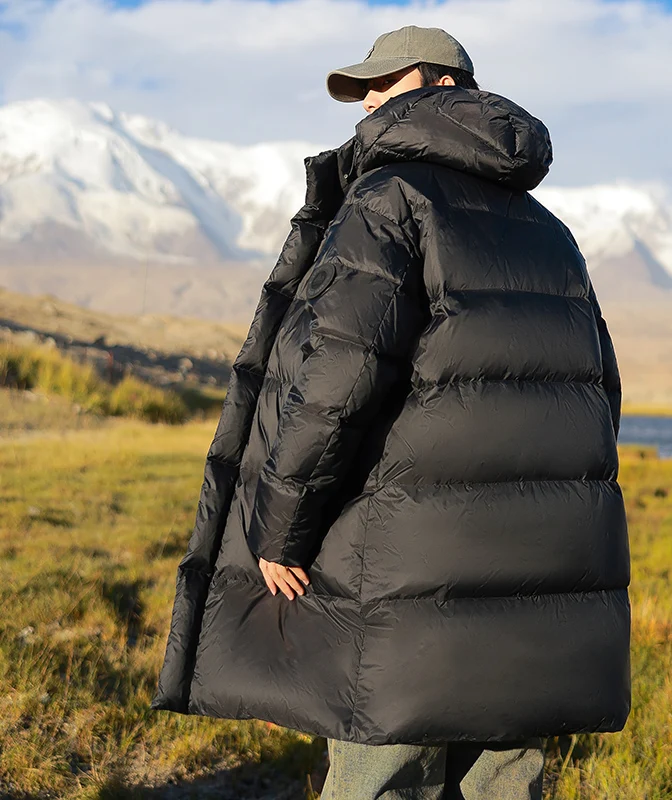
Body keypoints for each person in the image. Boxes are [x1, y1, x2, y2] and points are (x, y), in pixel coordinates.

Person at [151, 24, 631, 800]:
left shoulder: (388, 198)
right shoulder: (550, 233)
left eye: (384, 82)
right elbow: (598, 395)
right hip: (535, 581)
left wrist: (280, 526)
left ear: (445, 87)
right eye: (362, 89)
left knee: (383, 772)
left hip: (403, 577)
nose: (368, 100)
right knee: (507, 782)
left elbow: (337, 377)